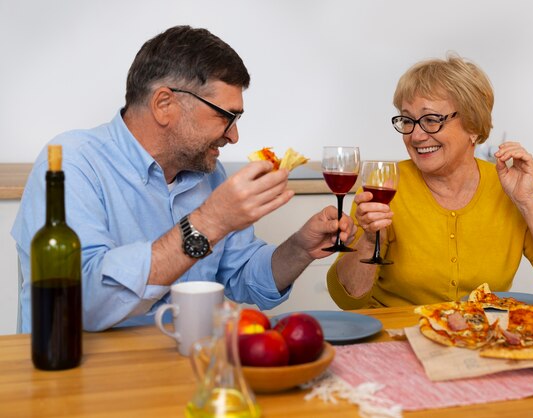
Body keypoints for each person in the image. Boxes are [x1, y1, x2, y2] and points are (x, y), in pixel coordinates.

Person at [13, 25, 356, 333]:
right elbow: (80, 304)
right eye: (226, 116)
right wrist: (209, 222)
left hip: (183, 368)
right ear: (164, 104)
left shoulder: (207, 172)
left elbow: (242, 278)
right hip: (87, 379)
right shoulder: (71, 162)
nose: (234, 136)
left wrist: (299, 248)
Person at [327, 54, 533, 309]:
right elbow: (348, 299)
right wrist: (368, 240)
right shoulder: (384, 186)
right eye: (408, 120)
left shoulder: (509, 187)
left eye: (431, 120)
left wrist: (528, 202)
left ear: (474, 127)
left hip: (479, 336)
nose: (416, 135)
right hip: (398, 336)